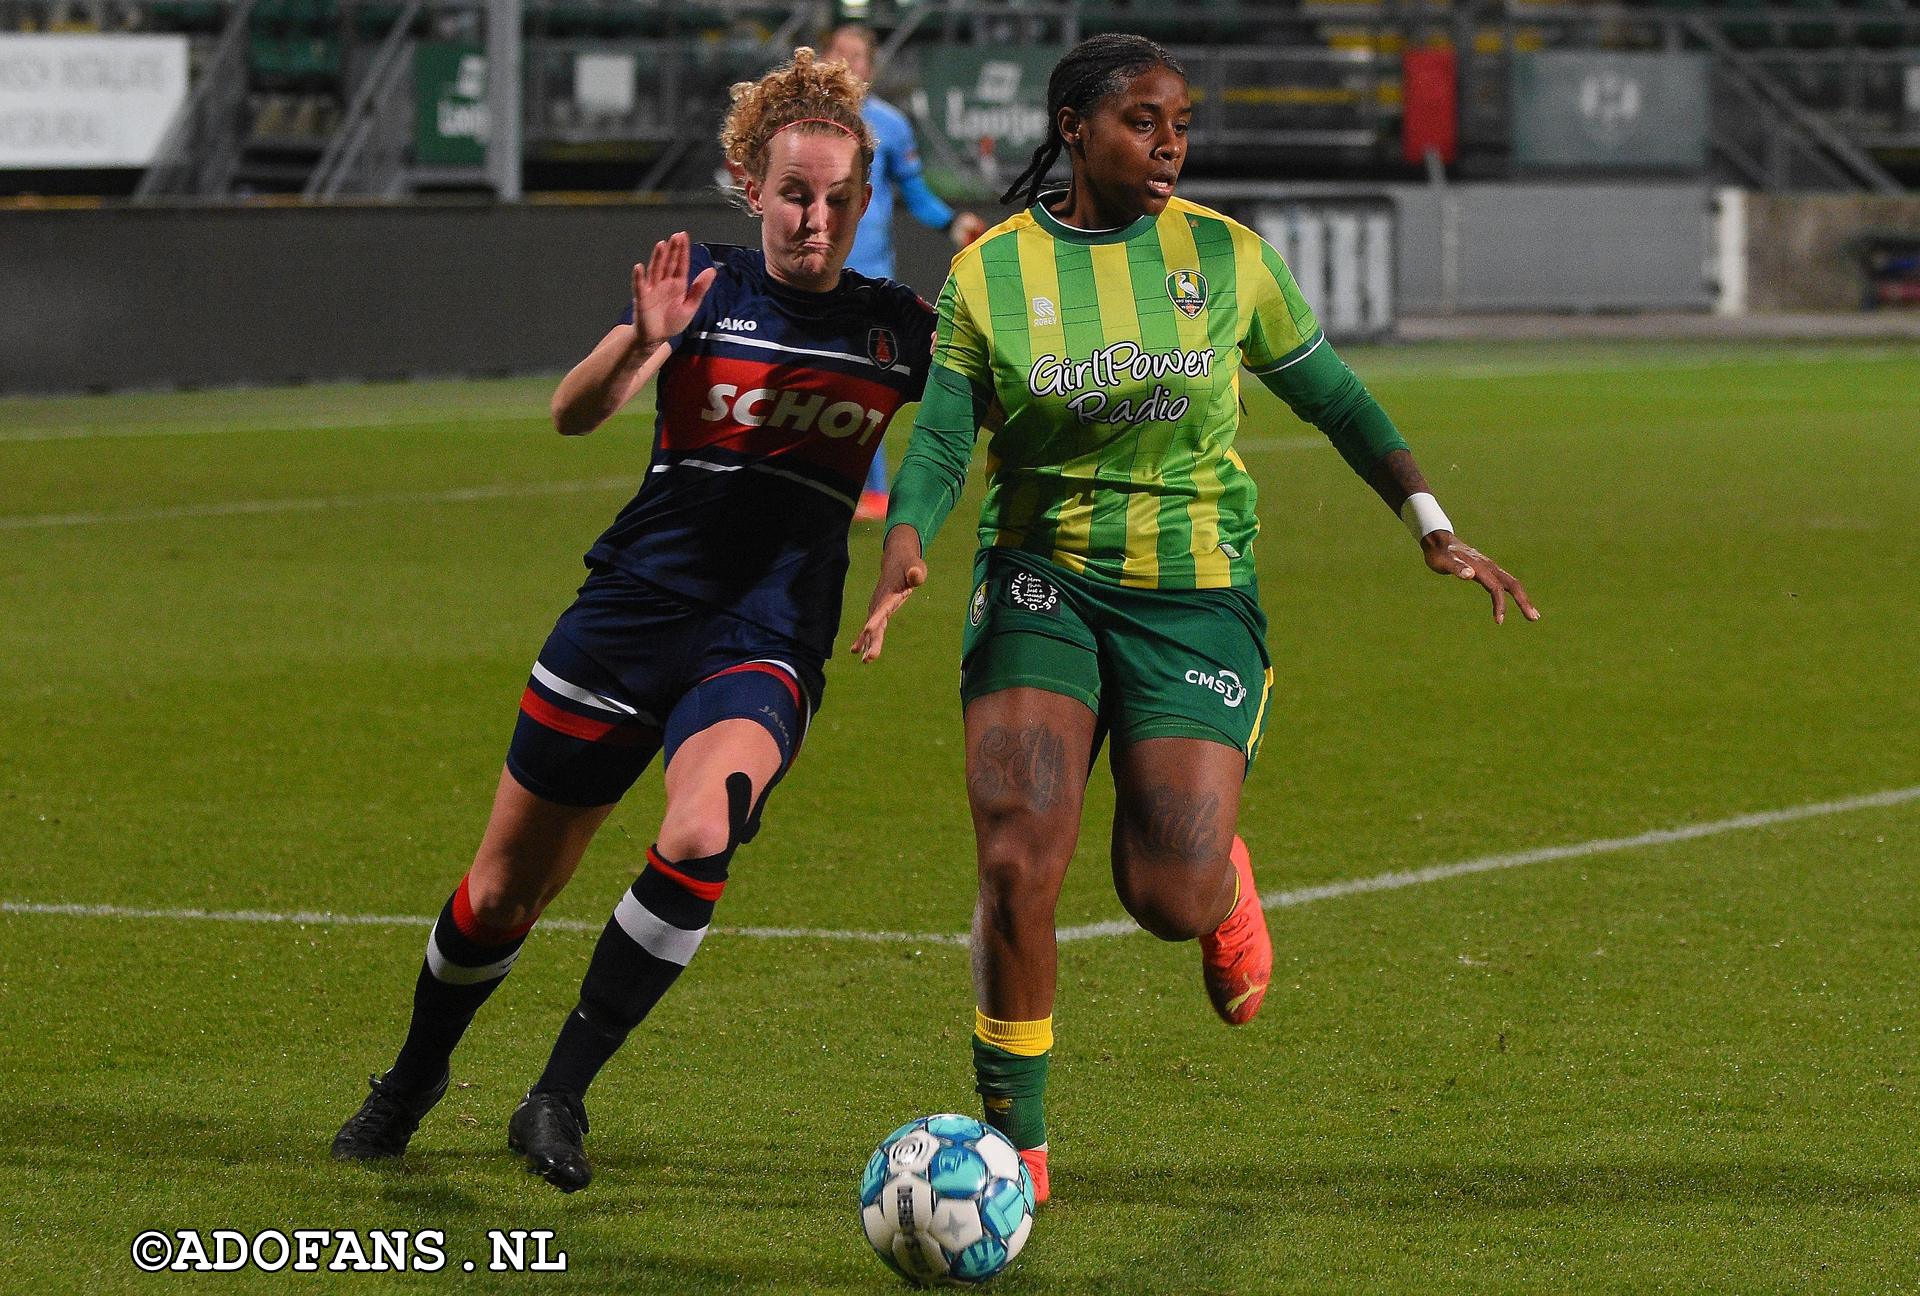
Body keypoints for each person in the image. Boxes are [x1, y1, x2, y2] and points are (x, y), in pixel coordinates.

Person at [854, 33, 1538, 1206]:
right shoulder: (990, 275)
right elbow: (942, 433)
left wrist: (1430, 520)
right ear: (1075, 126)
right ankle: (1014, 1148)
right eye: (1142, 120)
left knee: (1163, 896)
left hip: (1194, 595)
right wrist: (908, 536)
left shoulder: (1224, 258)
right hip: (1040, 578)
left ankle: (1220, 886)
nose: (1169, 142)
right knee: (1019, 855)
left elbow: (1336, 397)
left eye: (1180, 122)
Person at [330, 47, 935, 1194]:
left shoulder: (897, 328)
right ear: (750, 186)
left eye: (837, 199)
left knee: (704, 830)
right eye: (793, 194)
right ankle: (410, 1078)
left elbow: (964, 431)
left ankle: (557, 1096)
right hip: (629, 616)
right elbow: (573, 414)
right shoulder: (697, 286)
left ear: (862, 200)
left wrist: (911, 541)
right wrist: (640, 343)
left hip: (763, 635)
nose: (814, 220)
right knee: (505, 892)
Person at [821, 22, 986, 522]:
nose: (847, 64)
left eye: (858, 56)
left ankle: (868, 491)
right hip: (812, 269)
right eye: (839, 53)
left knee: (855, 381)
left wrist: (954, 222)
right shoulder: (804, 121)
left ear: (871, 70)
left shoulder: (889, 125)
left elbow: (914, 195)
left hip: (867, 276)